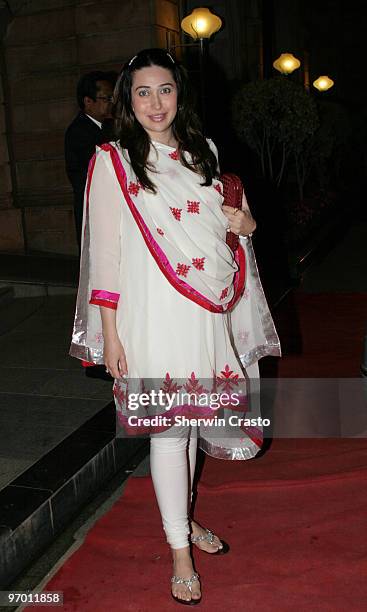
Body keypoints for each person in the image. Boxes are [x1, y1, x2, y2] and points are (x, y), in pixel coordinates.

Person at [70, 48, 280, 605]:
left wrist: (248, 224)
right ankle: (180, 553)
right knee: (168, 432)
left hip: (204, 315)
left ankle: (182, 525)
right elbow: (105, 259)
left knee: (188, 431)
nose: (155, 103)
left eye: (164, 89)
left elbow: (226, 234)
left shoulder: (204, 154)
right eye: (142, 92)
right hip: (150, 317)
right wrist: (111, 334)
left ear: (179, 94)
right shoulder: (112, 161)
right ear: (126, 99)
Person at [64, 70, 117, 251]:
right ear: (88, 101)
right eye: (106, 98)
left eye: (112, 98)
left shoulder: (109, 126)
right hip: (95, 209)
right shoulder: (79, 131)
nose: (111, 103)